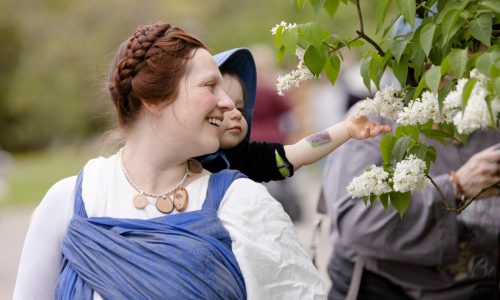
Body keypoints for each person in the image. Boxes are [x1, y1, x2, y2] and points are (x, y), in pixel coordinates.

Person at [13, 23, 326, 299]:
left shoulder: (243, 203)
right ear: (154, 99)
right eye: (209, 86)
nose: (228, 102)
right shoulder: (69, 202)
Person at [202, 48, 392, 183]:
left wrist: (345, 129)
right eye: (224, 108)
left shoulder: (250, 158)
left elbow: (301, 150)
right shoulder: (186, 161)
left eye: (241, 108)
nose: (235, 114)